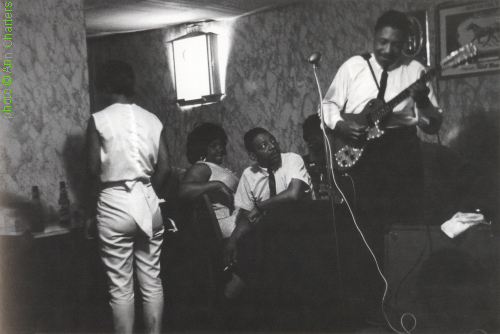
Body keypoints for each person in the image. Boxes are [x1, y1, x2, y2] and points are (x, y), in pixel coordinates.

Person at [322, 10, 442, 325]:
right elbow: (328, 105)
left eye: (396, 45)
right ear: (373, 37)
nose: (388, 50)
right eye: (382, 42)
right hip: (363, 156)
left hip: (402, 155)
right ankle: (368, 311)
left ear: (406, 44)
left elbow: (431, 126)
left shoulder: (416, 70)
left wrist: (425, 101)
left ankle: (403, 308)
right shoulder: (353, 66)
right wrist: (343, 127)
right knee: (366, 231)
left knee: (405, 227)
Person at [85, 60, 171, 334]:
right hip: (148, 199)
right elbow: (166, 168)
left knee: (121, 287)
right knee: (152, 280)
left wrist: (90, 212)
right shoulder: (153, 119)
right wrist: (148, 196)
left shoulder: (98, 119)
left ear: (106, 86)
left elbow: (91, 170)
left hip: (114, 202)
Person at [177, 122, 245, 300]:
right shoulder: (202, 167)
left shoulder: (216, 168)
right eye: (213, 145)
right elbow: (183, 191)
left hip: (238, 224)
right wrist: (217, 184)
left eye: (221, 144)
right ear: (202, 148)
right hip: (228, 230)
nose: (220, 149)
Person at [301, 114, 329, 200]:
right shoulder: (301, 163)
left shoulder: (334, 161)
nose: (312, 138)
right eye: (309, 134)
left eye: (316, 132)